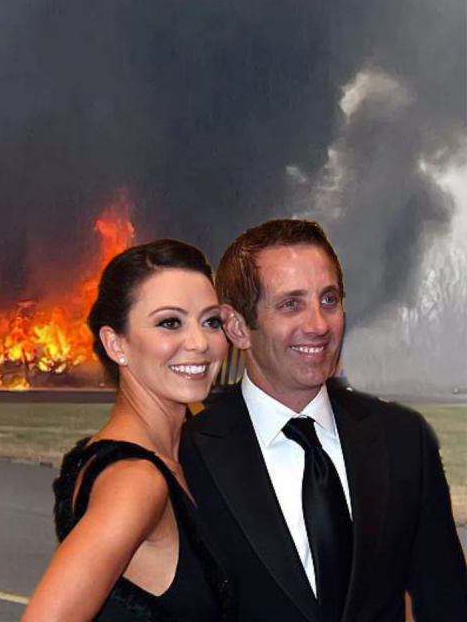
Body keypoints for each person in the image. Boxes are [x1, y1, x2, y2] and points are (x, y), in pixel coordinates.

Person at [180, 218, 467, 622]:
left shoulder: (404, 440)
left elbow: (446, 602)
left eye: (328, 300)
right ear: (238, 327)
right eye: (291, 304)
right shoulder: (187, 455)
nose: (318, 325)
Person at [23, 239, 235, 622]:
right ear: (116, 344)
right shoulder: (136, 482)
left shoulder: (169, 457)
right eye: (170, 323)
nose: (200, 342)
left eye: (211, 321)